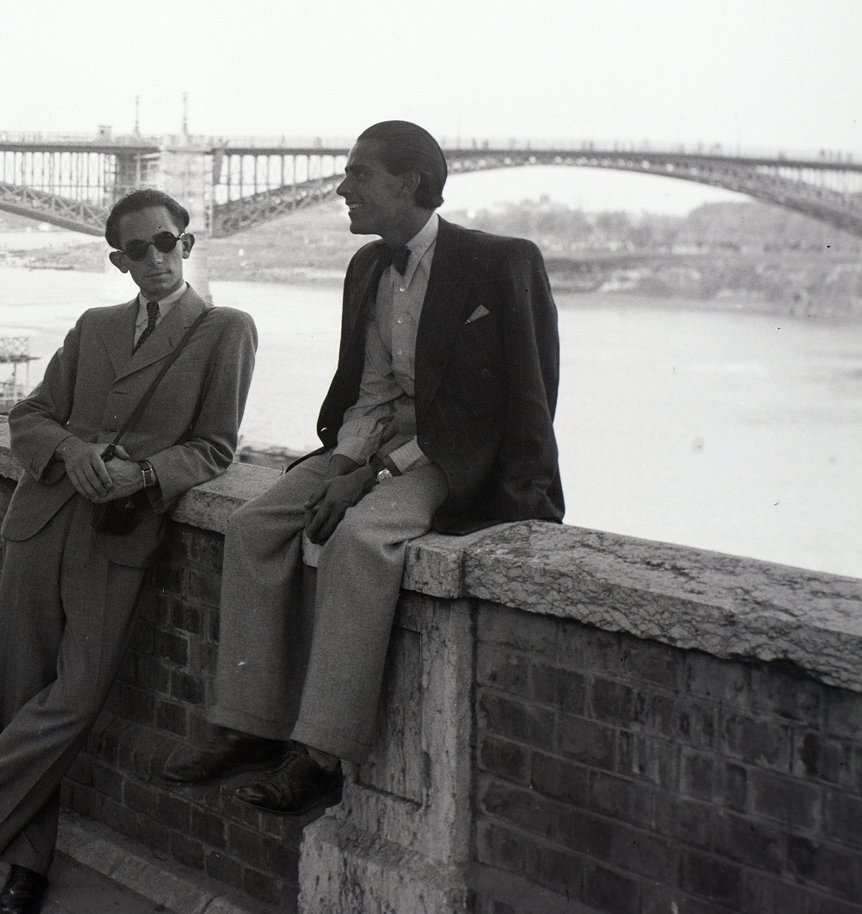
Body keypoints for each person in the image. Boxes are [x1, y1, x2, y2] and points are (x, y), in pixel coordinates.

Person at [162, 120, 562, 813]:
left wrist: (371, 477)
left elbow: (503, 404)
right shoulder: (369, 266)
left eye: (358, 174)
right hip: (378, 440)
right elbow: (373, 390)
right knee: (256, 524)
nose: (343, 188)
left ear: (408, 183)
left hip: (456, 457)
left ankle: (319, 752)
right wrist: (344, 462)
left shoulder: (502, 261)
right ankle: (251, 723)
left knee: (359, 540)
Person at [0, 189, 257, 914]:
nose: (157, 258)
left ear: (188, 244)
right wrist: (71, 450)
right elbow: (30, 416)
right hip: (44, 519)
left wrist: (144, 473)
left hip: (121, 530)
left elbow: (214, 446)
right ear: (119, 261)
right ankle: (25, 865)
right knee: (16, 693)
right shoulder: (95, 326)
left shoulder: (224, 330)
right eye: (137, 250)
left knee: (75, 698)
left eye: (167, 242)